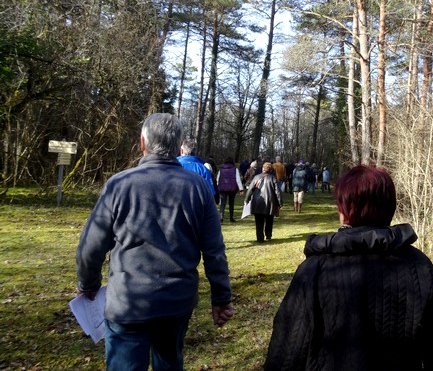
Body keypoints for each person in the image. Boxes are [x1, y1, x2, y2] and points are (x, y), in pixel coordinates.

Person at [76, 113, 233, 371]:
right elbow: (214, 251)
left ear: (142, 143)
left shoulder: (119, 185)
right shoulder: (198, 187)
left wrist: (88, 285)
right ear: (178, 145)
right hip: (175, 303)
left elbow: (89, 248)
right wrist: (221, 298)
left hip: (128, 302)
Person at [264, 165, 433, 371]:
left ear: (344, 208)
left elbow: (286, 350)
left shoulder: (314, 269)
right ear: (389, 207)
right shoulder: (418, 265)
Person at [245, 162, 283, 243]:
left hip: (257, 202)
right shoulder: (273, 178)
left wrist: (246, 199)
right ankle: (268, 236)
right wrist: (280, 203)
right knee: (269, 220)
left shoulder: (256, 177)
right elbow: (278, 192)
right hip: (270, 202)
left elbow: (250, 189)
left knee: (259, 222)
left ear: (263, 168)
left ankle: (260, 238)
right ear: (270, 170)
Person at [217, 157, 244, 223]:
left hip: (223, 188)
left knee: (223, 204)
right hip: (232, 188)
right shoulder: (235, 169)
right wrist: (241, 189)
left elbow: (217, 178)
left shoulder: (221, 169)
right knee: (231, 203)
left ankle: (221, 217)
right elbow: (238, 180)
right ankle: (231, 218)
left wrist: (218, 186)